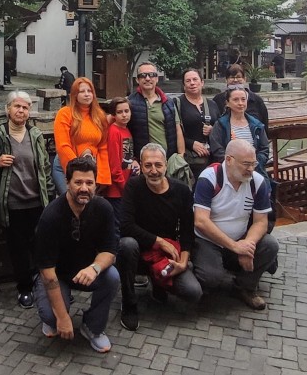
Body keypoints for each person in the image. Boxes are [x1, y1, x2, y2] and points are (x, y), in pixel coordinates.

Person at [33, 157, 119, 353]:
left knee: (112, 276)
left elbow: (110, 251)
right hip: (57, 275)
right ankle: (53, 316)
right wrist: (63, 318)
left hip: (86, 272)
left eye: (89, 182)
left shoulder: (103, 209)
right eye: (78, 182)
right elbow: (47, 273)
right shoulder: (51, 216)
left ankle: (93, 327)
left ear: (95, 184)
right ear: (67, 182)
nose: (84, 188)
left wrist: (94, 268)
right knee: (53, 318)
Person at [117, 143, 203, 332]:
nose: (153, 170)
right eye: (148, 165)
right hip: (139, 252)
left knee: (193, 292)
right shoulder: (134, 186)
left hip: (166, 257)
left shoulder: (182, 191)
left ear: (166, 165)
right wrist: (159, 242)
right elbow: (125, 225)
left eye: (158, 165)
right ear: (141, 166)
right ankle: (129, 303)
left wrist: (183, 261)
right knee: (126, 245)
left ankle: (158, 284)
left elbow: (188, 231)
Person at [193, 139, 279, 310]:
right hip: (208, 240)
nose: (251, 169)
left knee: (270, 245)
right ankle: (207, 279)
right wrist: (235, 247)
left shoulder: (257, 181)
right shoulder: (209, 178)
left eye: (253, 164)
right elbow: (201, 221)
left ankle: (244, 286)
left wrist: (248, 245)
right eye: (246, 164)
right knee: (211, 277)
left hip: (240, 238)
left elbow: (261, 222)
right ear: (229, 160)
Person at [0, 91, 55, 309]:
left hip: (37, 202)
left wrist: (50, 195)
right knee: (18, 249)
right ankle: (24, 288)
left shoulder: (35, 134)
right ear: (8, 109)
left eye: (25, 107)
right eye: (17, 106)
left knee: (40, 246)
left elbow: (44, 167)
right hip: (13, 203)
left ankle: (45, 285)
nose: (21, 111)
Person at [52, 77, 110, 195]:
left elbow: (103, 148)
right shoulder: (64, 113)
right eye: (82, 91)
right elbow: (63, 146)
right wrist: (77, 171)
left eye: (89, 91)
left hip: (90, 166)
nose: (87, 94)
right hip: (66, 164)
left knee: (88, 202)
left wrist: (102, 176)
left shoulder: (100, 116)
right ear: (75, 95)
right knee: (72, 200)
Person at [128, 62, 185, 160]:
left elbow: (177, 129)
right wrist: (132, 159)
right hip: (143, 161)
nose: (147, 78)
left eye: (151, 75)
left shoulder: (168, 102)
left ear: (157, 78)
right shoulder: (130, 102)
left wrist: (180, 155)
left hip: (168, 159)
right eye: (143, 75)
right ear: (137, 79)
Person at [209, 86, 269, 177]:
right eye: (236, 100)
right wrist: (235, 165)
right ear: (227, 103)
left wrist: (254, 164)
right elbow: (217, 150)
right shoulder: (220, 125)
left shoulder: (257, 125)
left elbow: (264, 149)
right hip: (229, 173)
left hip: (255, 171)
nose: (240, 103)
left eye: (243, 99)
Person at [174, 69, 219, 179]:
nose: (192, 83)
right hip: (189, 160)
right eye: (188, 81)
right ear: (184, 85)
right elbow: (171, 132)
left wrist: (213, 130)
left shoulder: (212, 104)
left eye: (195, 79)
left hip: (212, 159)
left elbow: (221, 128)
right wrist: (191, 143)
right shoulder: (177, 103)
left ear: (202, 82)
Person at [105, 97, 140, 237]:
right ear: (114, 115)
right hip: (117, 191)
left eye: (127, 111)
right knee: (117, 226)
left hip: (126, 185)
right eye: (120, 112)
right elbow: (114, 165)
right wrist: (124, 187)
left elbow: (127, 155)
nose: (124, 115)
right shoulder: (114, 131)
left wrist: (135, 161)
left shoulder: (126, 130)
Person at [213, 64, 269, 136]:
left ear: (244, 79)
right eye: (232, 77)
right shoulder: (218, 100)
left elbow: (264, 126)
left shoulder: (257, 100)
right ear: (226, 80)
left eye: (238, 77)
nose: (235, 80)